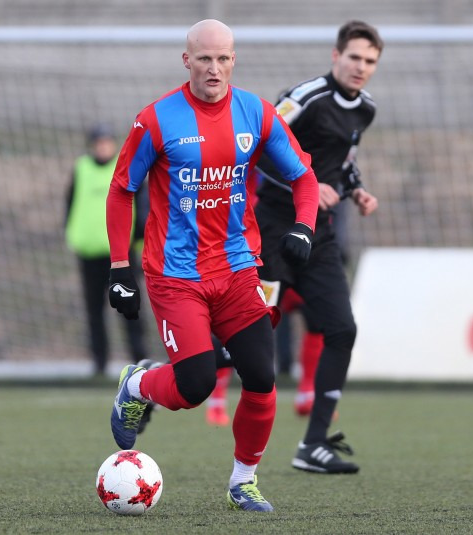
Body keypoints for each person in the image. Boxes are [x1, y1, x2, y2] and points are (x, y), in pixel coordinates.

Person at [106, 19, 319, 512]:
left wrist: (304, 227)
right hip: (176, 275)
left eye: (223, 58)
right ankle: (137, 384)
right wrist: (119, 269)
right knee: (195, 386)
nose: (214, 68)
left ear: (233, 60)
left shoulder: (255, 112)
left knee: (261, 376)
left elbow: (304, 177)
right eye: (204, 58)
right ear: (187, 61)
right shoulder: (156, 119)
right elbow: (121, 190)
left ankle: (243, 481)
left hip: (237, 268)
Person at [253, 20, 383, 474]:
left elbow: (343, 162)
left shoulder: (365, 109)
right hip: (274, 228)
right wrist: (306, 182)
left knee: (341, 330)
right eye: (354, 57)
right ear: (336, 56)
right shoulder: (305, 98)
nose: (361, 67)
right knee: (248, 338)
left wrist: (356, 188)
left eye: (370, 61)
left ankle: (314, 445)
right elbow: (256, 148)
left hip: (320, 234)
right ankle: (153, 384)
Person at [65, 125, 147, 376]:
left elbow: (142, 206)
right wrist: (72, 233)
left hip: (121, 255)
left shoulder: (127, 167)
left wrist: (140, 241)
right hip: (90, 253)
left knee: (130, 307)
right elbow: (70, 203)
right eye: (98, 143)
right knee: (94, 310)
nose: (102, 147)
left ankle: (139, 358)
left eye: (106, 142)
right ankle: (99, 362)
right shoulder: (81, 168)